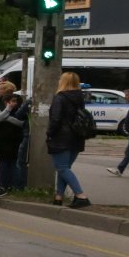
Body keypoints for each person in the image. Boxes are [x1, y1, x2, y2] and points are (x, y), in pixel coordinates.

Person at [48, 71, 93, 208]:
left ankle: (81, 196)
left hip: (61, 137)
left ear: (63, 82)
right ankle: (59, 197)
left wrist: (50, 133)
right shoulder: (80, 98)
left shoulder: (59, 98)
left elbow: (55, 119)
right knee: (65, 168)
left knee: (61, 168)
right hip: (77, 136)